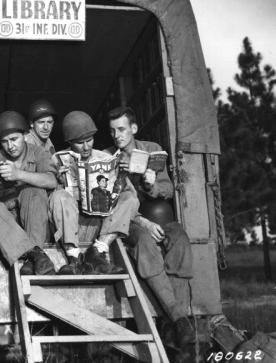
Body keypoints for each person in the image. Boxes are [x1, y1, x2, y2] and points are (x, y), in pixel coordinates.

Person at [105, 106, 195, 351]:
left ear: (133, 129)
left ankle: (172, 322)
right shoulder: (106, 156)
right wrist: (142, 221)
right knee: (145, 242)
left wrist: (152, 185)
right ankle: (179, 319)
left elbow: (167, 190)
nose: (117, 136)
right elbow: (107, 204)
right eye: (112, 131)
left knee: (181, 241)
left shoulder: (152, 150)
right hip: (130, 222)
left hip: (159, 215)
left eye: (122, 129)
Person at [48, 111, 139, 275]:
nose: (86, 147)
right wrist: (58, 181)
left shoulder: (105, 157)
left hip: (100, 226)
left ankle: (97, 251)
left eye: (89, 140)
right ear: (69, 142)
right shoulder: (57, 159)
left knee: (130, 197)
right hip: (71, 226)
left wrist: (122, 175)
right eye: (79, 143)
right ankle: (74, 258)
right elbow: (50, 203)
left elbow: (128, 197)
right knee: (58, 196)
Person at [0, 111, 57, 275]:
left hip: (35, 222)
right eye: (5, 141)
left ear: (25, 135)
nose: (10, 146)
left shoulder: (39, 152)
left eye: (14, 139)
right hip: (7, 227)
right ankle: (35, 255)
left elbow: (52, 181)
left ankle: (30, 256)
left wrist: (19, 175)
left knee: (32, 189)